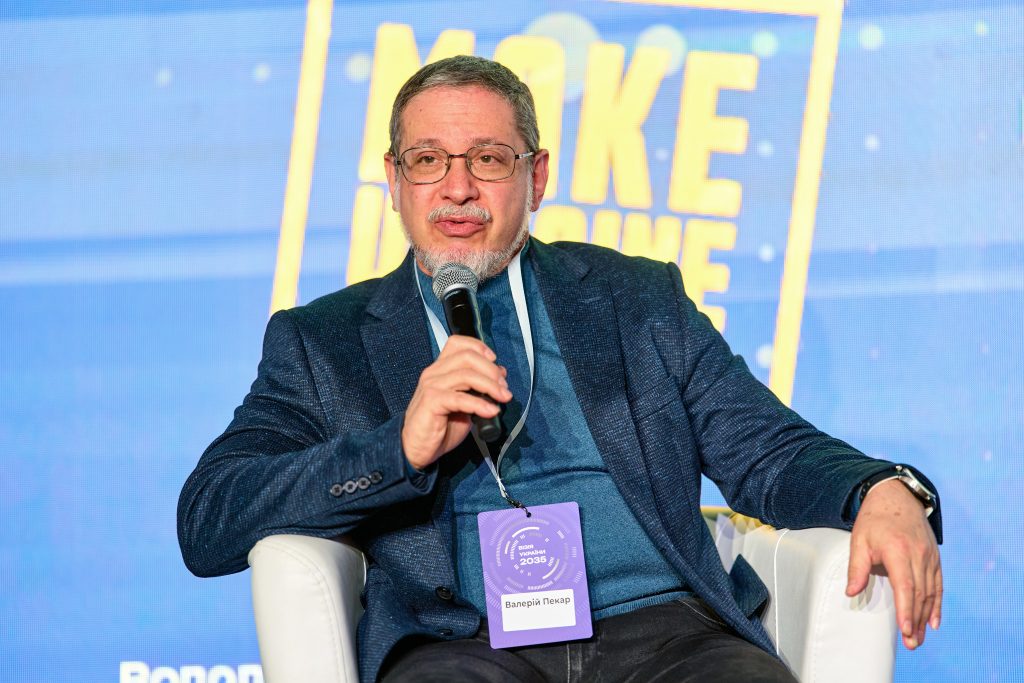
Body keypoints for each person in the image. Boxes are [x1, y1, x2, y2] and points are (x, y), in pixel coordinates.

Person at [178, 55, 942, 683]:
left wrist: (879, 486)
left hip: (669, 635)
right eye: (428, 160)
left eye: (488, 159)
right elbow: (209, 518)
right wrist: (396, 448)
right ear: (395, 179)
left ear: (536, 177)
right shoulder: (325, 341)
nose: (457, 187)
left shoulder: (636, 299)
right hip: (462, 647)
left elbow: (765, 447)